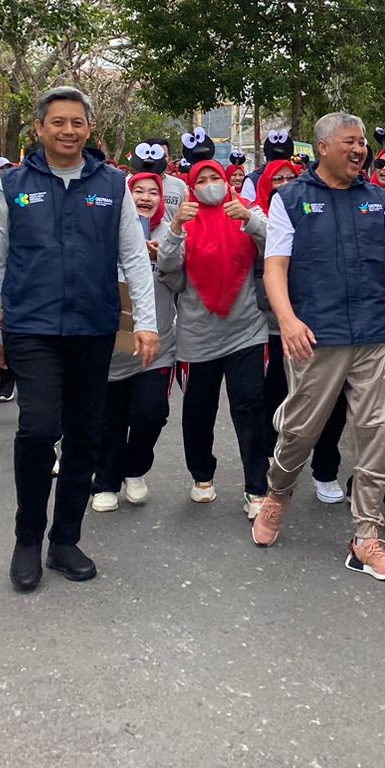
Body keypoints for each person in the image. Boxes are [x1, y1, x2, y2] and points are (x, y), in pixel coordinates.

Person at [251, 111, 385, 582]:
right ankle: (277, 494)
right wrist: (288, 320)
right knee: (299, 432)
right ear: (323, 147)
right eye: (350, 141)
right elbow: (275, 266)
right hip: (316, 337)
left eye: (362, 141)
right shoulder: (291, 199)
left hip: (371, 333)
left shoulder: (374, 199)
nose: (360, 149)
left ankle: (365, 537)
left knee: (374, 438)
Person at [0, 87, 159, 591]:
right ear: (39, 128)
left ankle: (64, 540)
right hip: (31, 329)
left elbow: (133, 256)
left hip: (93, 328)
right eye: (58, 122)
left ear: (89, 128)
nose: (68, 131)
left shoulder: (112, 184)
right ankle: (27, 539)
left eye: (77, 122)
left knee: (85, 435)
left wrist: (146, 323)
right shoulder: (12, 185)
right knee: (38, 430)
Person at [158, 130, 272, 519]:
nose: (210, 185)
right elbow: (168, 270)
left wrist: (249, 221)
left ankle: (257, 487)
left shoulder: (246, 211)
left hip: (246, 331)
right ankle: (202, 475)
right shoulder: (185, 220)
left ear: (227, 179)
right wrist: (175, 228)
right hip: (197, 336)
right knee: (198, 410)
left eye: (215, 178)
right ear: (192, 186)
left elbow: (276, 248)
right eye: (201, 180)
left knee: (250, 408)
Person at [251, 149, 349, 503]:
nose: (283, 184)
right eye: (276, 180)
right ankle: (273, 460)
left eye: (289, 178)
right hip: (277, 327)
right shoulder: (256, 216)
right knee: (278, 396)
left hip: (325, 323)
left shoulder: (322, 210)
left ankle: (325, 470)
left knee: (331, 402)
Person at [92, 166, 183, 513]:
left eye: (153, 192)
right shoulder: (105, 229)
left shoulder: (171, 233)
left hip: (156, 346)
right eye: (138, 191)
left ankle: (135, 469)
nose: (146, 197)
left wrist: (162, 258)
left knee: (151, 413)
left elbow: (182, 284)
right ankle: (105, 481)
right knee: (109, 419)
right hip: (111, 348)